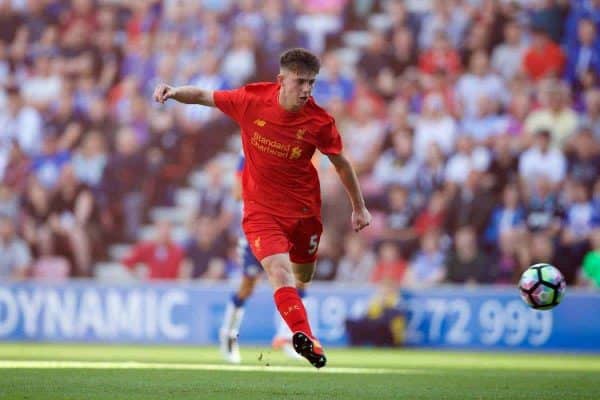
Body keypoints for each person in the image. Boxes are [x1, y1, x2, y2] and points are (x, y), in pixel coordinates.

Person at [154, 48, 372, 368]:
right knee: (271, 274)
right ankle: (293, 336)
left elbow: (341, 164)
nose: (307, 89)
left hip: (303, 213)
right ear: (281, 80)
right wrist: (173, 92)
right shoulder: (252, 102)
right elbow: (204, 95)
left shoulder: (319, 121)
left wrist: (359, 207)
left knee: (302, 276)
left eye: (312, 83)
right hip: (260, 213)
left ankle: (289, 333)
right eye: (301, 82)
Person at [219, 153, 303, 363]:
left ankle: (290, 337)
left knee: (293, 281)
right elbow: (238, 193)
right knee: (248, 286)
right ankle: (228, 334)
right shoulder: (247, 154)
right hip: (254, 231)